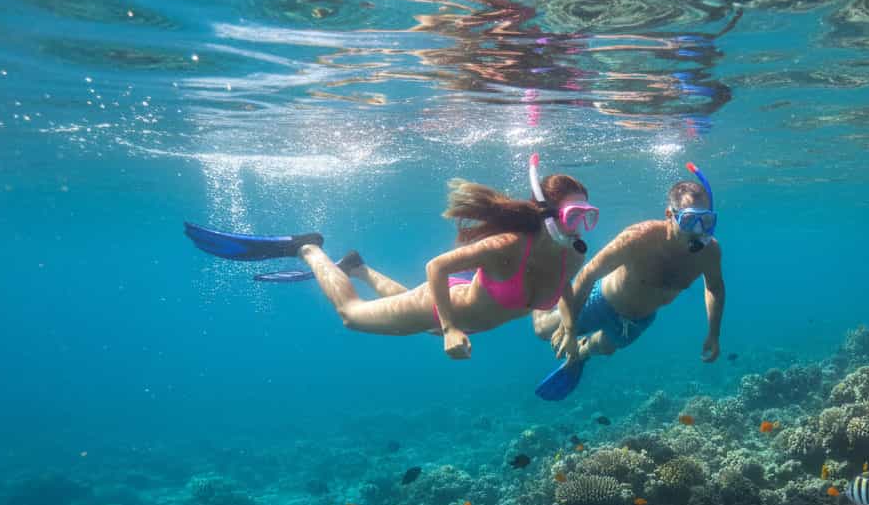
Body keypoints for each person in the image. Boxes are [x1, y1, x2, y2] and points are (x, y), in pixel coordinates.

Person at [184, 154, 595, 360]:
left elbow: (563, 288)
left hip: (462, 307)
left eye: (588, 217)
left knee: (404, 304)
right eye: (574, 216)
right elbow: (436, 266)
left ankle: (357, 267)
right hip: (442, 305)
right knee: (352, 315)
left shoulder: (572, 256)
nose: (580, 228)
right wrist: (450, 328)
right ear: (546, 214)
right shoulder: (509, 246)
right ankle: (307, 247)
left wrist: (570, 327)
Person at [531, 162, 725, 400]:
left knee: (604, 348)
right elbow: (589, 273)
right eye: (689, 220)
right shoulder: (639, 237)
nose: (698, 230)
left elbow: (714, 288)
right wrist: (569, 329)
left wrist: (714, 334)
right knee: (542, 330)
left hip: (639, 320)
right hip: (602, 301)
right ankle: (541, 280)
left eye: (706, 221)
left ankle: (581, 354)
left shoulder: (709, 252)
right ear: (669, 215)